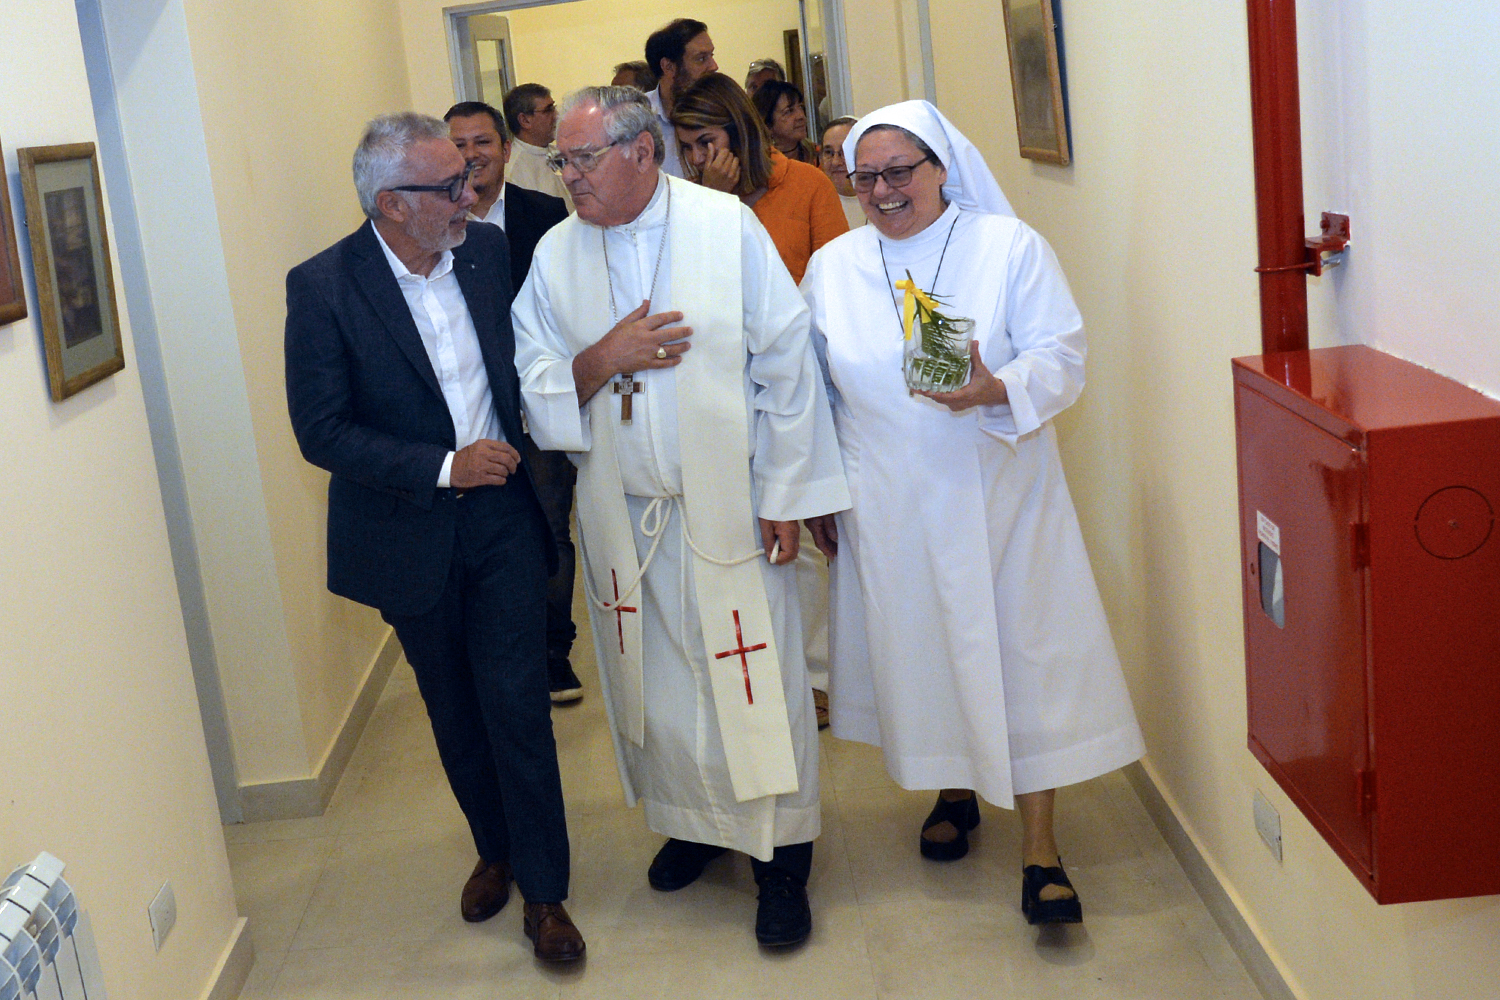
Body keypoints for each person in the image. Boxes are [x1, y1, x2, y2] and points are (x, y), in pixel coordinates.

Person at [511, 86, 849, 948]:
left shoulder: (722, 228)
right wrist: (602, 358)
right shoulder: (556, 253)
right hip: (625, 518)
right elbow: (534, 375)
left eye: (584, 159)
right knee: (659, 685)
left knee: (755, 680)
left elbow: (787, 362)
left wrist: (786, 493)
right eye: (562, 160)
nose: (569, 176)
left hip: (731, 507)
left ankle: (782, 859)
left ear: (641, 151)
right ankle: (695, 824)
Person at [800, 101, 1146, 926]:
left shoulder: (1008, 247)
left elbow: (1062, 355)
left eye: (899, 171)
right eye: (864, 176)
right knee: (925, 655)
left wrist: (996, 388)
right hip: (887, 504)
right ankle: (953, 790)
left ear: (941, 167)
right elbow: (808, 389)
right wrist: (817, 491)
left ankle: (1041, 851)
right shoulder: (833, 266)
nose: (882, 191)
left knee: (1022, 664)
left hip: (999, 495)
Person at [284, 113, 585, 961]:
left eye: (469, 176)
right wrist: (446, 467)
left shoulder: (486, 255)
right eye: (450, 186)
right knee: (454, 710)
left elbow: (528, 361)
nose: (472, 194)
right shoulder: (324, 287)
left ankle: (547, 894)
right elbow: (321, 430)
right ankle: (496, 849)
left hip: (503, 521)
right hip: (406, 530)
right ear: (391, 203)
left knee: (517, 706)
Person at [445, 101, 582, 704]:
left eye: (481, 142)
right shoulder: (436, 222)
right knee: (489, 534)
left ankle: (555, 652)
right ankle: (500, 654)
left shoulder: (546, 214)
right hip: (471, 409)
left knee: (550, 526)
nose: (470, 155)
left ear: (505, 149)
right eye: (457, 145)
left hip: (536, 397)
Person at [670, 72, 847, 285]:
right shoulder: (686, 199)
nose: (696, 158)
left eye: (705, 142)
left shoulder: (809, 183)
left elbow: (838, 279)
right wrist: (712, 200)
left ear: (739, 131)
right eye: (687, 147)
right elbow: (690, 281)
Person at [643, 17, 718, 178]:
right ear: (669, 67)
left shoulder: (721, 110)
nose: (714, 66)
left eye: (711, 55)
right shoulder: (637, 118)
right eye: (701, 58)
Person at [502, 83, 574, 210]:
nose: (556, 116)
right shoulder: (513, 173)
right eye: (548, 110)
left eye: (554, 108)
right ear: (525, 120)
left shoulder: (560, 153)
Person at [752, 80, 818, 165]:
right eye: (789, 111)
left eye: (800, 107)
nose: (801, 116)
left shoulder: (819, 156)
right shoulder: (757, 165)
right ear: (767, 125)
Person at [819, 116, 865, 230]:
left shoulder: (883, 198)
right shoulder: (813, 204)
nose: (835, 162)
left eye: (844, 152)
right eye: (828, 152)